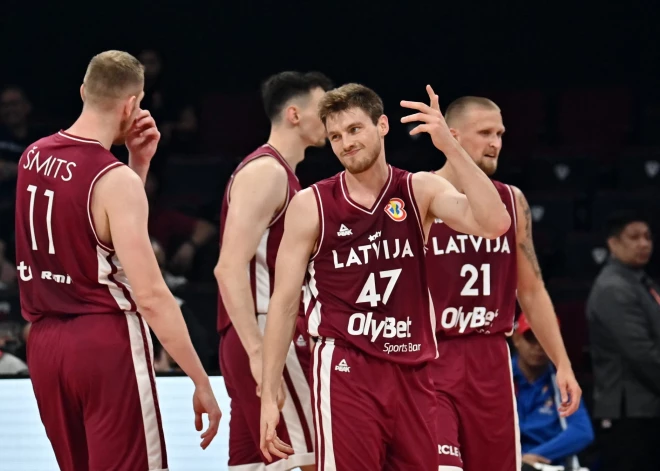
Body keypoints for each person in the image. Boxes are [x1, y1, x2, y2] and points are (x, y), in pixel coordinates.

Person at [259, 83, 511, 470]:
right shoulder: (311, 204)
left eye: (355, 130)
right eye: (336, 136)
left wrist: (450, 147)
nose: (345, 143)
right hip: (346, 365)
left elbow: (495, 224)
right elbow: (284, 301)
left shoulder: (418, 189)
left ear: (382, 126)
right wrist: (269, 391)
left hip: (414, 369)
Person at [14, 50, 221, 471]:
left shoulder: (32, 156)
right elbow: (150, 295)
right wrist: (200, 380)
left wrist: (137, 167)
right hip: (102, 341)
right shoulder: (112, 179)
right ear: (131, 104)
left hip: (44, 343)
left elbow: (97, 234)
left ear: (83, 91)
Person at [426, 96, 581, 471]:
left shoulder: (512, 201)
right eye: (484, 133)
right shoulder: (419, 194)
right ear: (452, 136)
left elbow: (530, 290)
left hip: (491, 358)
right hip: (431, 358)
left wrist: (562, 363)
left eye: (500, 133)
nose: (495, 142)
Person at [214, 70, 333, 471]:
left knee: (252, 464)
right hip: (267, 333)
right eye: (324, 109)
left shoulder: (279, 173)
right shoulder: (268, 172)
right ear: (295, 114)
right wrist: (257, 351)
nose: (331, 120)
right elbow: (228, 267)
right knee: (307, 460)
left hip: (253, 332)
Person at [586, 211, 659, 471]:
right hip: (628, 413)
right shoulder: (613, 288)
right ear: (613, 243)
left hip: (647, 408)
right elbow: (641, 354)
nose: (643, 243)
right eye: (634, 237)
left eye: (648, 237)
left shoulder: (641, 282)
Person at [512, 313, 594, 469]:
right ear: (516, 339)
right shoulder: (497, 378)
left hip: (548, 464)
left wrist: (532, 457)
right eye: (530, 338)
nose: (538, 346)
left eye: (544, 339)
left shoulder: (563, 381)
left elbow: (583, 431)